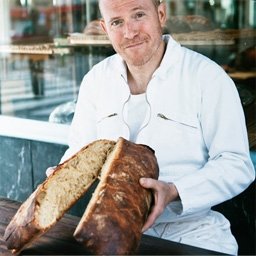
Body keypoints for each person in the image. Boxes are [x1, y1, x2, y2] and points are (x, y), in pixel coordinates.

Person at [47, 0, 255, 254]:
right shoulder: (95, 81)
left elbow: (236, 163)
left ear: (160, 14)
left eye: (138, 15)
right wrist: (62, 173)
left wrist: (174, 191)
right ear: (104, 28)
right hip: (111, 233)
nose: (130, 32)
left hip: (193, 233)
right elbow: (80, 150)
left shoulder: (207, 77)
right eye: (117, 22)